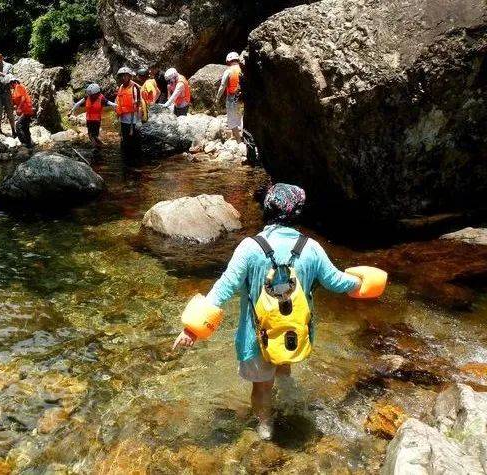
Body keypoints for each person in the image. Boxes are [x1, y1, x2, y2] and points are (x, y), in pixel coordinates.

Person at [172, 183, 362, 441]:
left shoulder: (250, 247)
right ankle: (289, 395)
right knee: (283, 363)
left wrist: (192, 329)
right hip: (293, 333)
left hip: (256, 338)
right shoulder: (311, 247)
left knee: (261, 387)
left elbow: (224, 288)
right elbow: (337, 282)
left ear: (267, 209)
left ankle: (265, 428)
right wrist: (360, 283)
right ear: (298, 212)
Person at [68, 83, 116, 148]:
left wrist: (117, 106)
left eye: (92, 95)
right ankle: (98, 145)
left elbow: (109, 103)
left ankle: (95, 147)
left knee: (94, 135)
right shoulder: (87, 97)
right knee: (91, 135)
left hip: (97, 120)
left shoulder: (101, 98)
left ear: (97, 93)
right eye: (89, 94)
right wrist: (71, 110)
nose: (90, 96)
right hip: (89, 119)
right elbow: (78, 103)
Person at [216, 52, 243, 141]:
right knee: (240, 117)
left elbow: (223, 86)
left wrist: (217, 98)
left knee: (231, 121)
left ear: (228, 61)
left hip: (232, 98)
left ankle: (239, 141)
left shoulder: (228, 71)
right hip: (242, 97)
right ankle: (244, 138)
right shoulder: (242, 69)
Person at [114, 67, 142, 149]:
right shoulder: (121, 87)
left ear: (129, 76)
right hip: (123, 119)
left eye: (125, 76)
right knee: (124, 142)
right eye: (121, 76)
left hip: (132, 120)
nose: (123, 78)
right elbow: (118, 101)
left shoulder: (135, 88)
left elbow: (139, 104)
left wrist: (139, 120)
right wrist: (117, 115)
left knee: (133, 143)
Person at [0, 52, 16, 137]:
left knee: (10, 111)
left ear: (1, 57)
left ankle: (13, 131)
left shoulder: (9, 66)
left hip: (6, 89)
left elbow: (10, 78)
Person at [5, 75, 34, 148]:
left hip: (26, 110)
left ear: (12, 82)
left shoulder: (18, 87)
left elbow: (23, 98)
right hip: (26, 110)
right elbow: (16, 100)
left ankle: (24, 142)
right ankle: (29, 144)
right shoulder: (16, 89)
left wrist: (19, 108)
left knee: (19, 125)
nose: (10, 86)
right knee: (25, 127)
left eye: (9, 84)